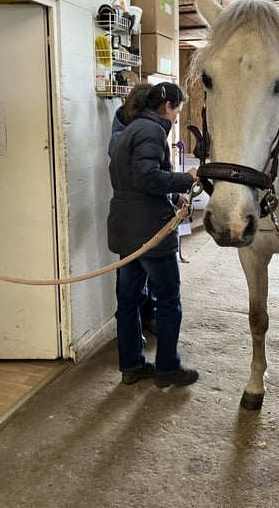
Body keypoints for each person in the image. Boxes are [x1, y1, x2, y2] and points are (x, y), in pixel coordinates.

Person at [107, 82, 199, 387]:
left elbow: (135, 179)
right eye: (178, 110)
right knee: (169, 299)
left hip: (126, 228)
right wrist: (186, 179)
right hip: (149, 231)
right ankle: (167, 369)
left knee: (128, 301)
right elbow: (146, 178)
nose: (177, 117)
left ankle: (131, 366)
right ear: (168, 106)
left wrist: (173, 196)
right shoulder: (152, 131)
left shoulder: (130, 129)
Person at [109, 84, 158, 334]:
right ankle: (131, 338)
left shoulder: (125, 132)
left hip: (130, 218)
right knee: (133, 284)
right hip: (137, 219)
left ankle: (146, 319)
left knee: (136, 280)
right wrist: (179, 184)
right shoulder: (132, 137)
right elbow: (147, 178)